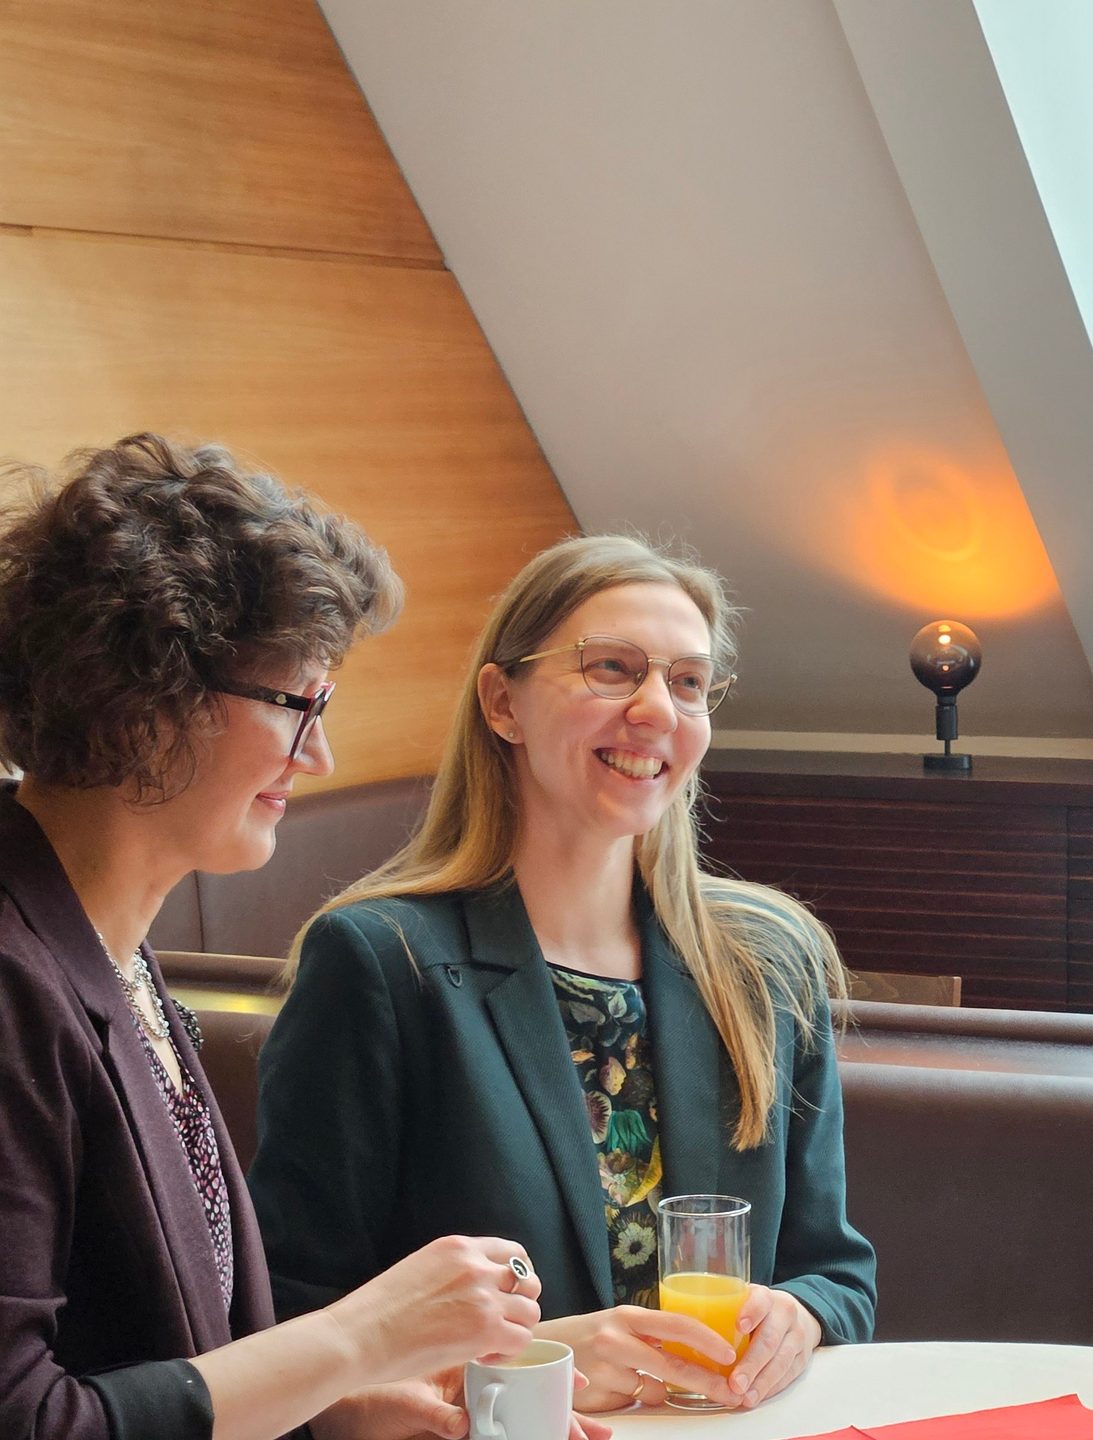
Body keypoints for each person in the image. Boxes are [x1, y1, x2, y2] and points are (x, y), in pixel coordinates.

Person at [0, 435, 578, 1440]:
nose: (321, 752)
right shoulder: (13, 981)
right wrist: (355, 1340)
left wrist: (332, 1412)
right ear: (145, 700)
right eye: (298, 701)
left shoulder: (109, 951)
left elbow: (157, 1362)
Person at [249, 533, 878, 1415]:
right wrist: (532, 1360)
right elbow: (289, 1326)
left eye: (689, 682)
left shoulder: (768, 961)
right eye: (613, 669)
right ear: (501, 703)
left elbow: (834, 1269)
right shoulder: (378, 962)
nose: (658, 709)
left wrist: (800, 1317)